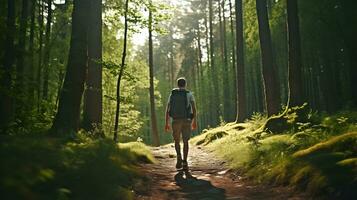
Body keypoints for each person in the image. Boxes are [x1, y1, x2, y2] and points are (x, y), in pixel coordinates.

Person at [165, 77, 197, 170]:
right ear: (185, 84)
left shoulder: (172, 94)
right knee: (186, 141)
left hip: (175, 120)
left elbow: (167, 109)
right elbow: (194, 109)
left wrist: (166, 123)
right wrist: (194, 121)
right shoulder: (189, 94)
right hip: (187, 120)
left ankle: (179, 157)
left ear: (177, 84)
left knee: (176, 141)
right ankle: (185, 162)